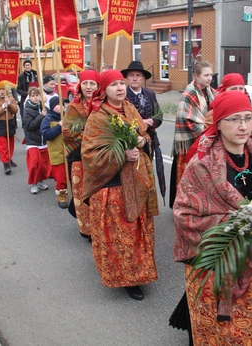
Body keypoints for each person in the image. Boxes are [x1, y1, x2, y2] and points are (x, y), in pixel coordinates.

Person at [173, 91, 252, 344]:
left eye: (248, 119)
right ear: (218, 123)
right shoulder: (201, 165)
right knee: (221, 332)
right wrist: (234, 225)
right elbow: (183, 214)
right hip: (219, 262)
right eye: (234, 119)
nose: (243, 126)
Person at [81, 70, 159, 300]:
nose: (119, 88)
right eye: (113, 84)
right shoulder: (98, 117)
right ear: (103, 90)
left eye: (121, 84)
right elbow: (90, 155)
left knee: (138, 230)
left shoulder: (130, 109)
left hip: (136, 182)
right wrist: (122, 154)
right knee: (121, 233)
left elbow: (145, 135)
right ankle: (126, 278)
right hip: (112, 185)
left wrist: (143, 141)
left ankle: (141, 272)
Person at [170, 61, 216, 208]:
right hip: (190, 141)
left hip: (206, 138)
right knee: (187, 176)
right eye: (206, 75)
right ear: (196, 76)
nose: (209, 78)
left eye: (211, 75)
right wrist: (209, 131)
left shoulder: (210, 91)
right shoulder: (189, 92)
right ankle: (185, 205)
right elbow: (188, 119)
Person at [62, 69, 100, 239]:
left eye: (92, 83)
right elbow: (67, 131)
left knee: (98, 195)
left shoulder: (103, 104)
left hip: (100, 158)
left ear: (98, 85)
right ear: (80, 85)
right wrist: (91, 136)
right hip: (78, 157)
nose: (88, 87)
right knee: (81, 193)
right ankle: (87, 230)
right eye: (85, 83)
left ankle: (100, 227)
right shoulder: (73, 107)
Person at [121, 61, 166, 203]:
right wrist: (139, 124)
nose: (134, 78)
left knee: (147, 171)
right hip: (130, 143)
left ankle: (145, 200)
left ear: (143, 79)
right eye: (131, 75)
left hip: (149, 141)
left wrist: (151, 122)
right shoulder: (123, 95)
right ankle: (132, 201)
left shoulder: (150, 94)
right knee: (132, 173)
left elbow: (159, 115)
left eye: (138, 75)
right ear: (127, 78)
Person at [204, 73, 252, 141]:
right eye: (233, 89)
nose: (238, 92)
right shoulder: (214, 112)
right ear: (224, 91)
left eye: (241, 88)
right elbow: (208, 136)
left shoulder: (250, 109)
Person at [41, 96, 68, 208]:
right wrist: (59, 126)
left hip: (68, 151)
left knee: (70, 176)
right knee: (60, 177)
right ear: (52, 106)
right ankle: (61, 196)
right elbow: (46, 135)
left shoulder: (68, 117)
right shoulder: (47, 119)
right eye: (58, 104)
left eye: (62, 104)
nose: (61, 106)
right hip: (56, 152)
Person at [23, 87, 50, 194]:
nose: (35, 97)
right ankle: (34, 183)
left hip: (43, 141)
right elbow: (30, 125)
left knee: (43, 165)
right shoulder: (27, 110)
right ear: (29, 97)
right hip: (32, 141)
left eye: (37, 95)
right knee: (34, 163)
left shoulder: (44, 108)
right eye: (33, 95)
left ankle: (40, 181)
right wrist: (41, 116)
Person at [0, 86, 19, 174]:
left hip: (10, 123)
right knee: (3, 146)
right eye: (0, 89)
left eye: (3, 89)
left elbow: (15, 111)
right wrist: (3, 107)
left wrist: (9, 104)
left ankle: (9, 158)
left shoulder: (10, 98)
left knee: (10, 144)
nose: (2, 91)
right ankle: (6, 164)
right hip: (0, 124)